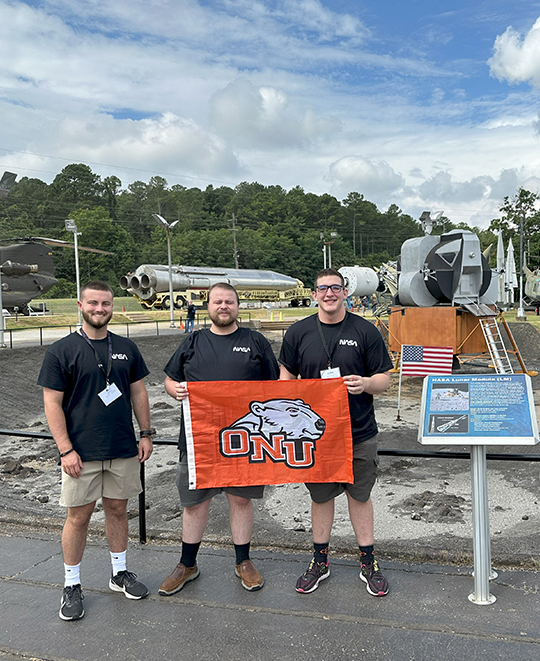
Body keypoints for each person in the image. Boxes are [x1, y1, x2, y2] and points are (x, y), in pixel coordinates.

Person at [37, 281, 154, 621]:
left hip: (121, 447)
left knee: (118, 510)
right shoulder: (61, 350)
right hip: (80, 452)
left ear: (112, 306)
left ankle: (119, 573)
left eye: (105, 303)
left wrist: (145, 433)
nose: (99, 308)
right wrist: (65, 450)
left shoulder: (126, 347)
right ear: (80, 305)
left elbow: (139, 393)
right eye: (93, 303)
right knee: (79, 517)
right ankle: (71, 584)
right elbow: (51, 403)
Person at [159, 282, 279, 596]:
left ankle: (243, 561)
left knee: (240, 500)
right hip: (200, 440)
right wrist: (177, 391)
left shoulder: (255, 341)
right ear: (208, 306)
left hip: (245, 441)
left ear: (237, 305)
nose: (223, 306)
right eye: (217, 302)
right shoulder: (193, 340)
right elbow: (170, 381)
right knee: (195, 504)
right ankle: (187, 563)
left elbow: (278, 385)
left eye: (229, 301)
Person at [279, 268, 392, 597]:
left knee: (360, 496)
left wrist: (367, 383)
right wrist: (295, 395)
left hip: (359, 432)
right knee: (321, 496)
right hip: (317, 437)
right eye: (323, 288)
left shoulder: (365, 330)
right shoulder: (299, 332)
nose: (329, 293)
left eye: (336, 288)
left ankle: (368, 561)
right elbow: (285, 376)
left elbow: (384, 379)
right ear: (314, 294)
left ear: (346, 293)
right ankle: (320, 561)